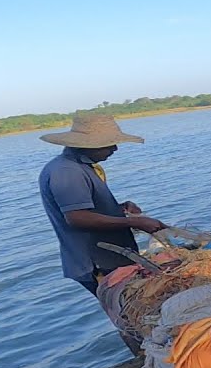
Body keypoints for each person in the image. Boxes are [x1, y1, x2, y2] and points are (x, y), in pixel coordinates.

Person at [38, 113, 167, 297]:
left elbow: (86, 208)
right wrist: (136, 223)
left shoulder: (81, 166)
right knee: (134, 312)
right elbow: (77, 217)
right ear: (88, 145)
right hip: (98, 263)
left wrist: (119, 208)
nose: (114, 149)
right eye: (108, 144)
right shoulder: (67, 171)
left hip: (113, 258)